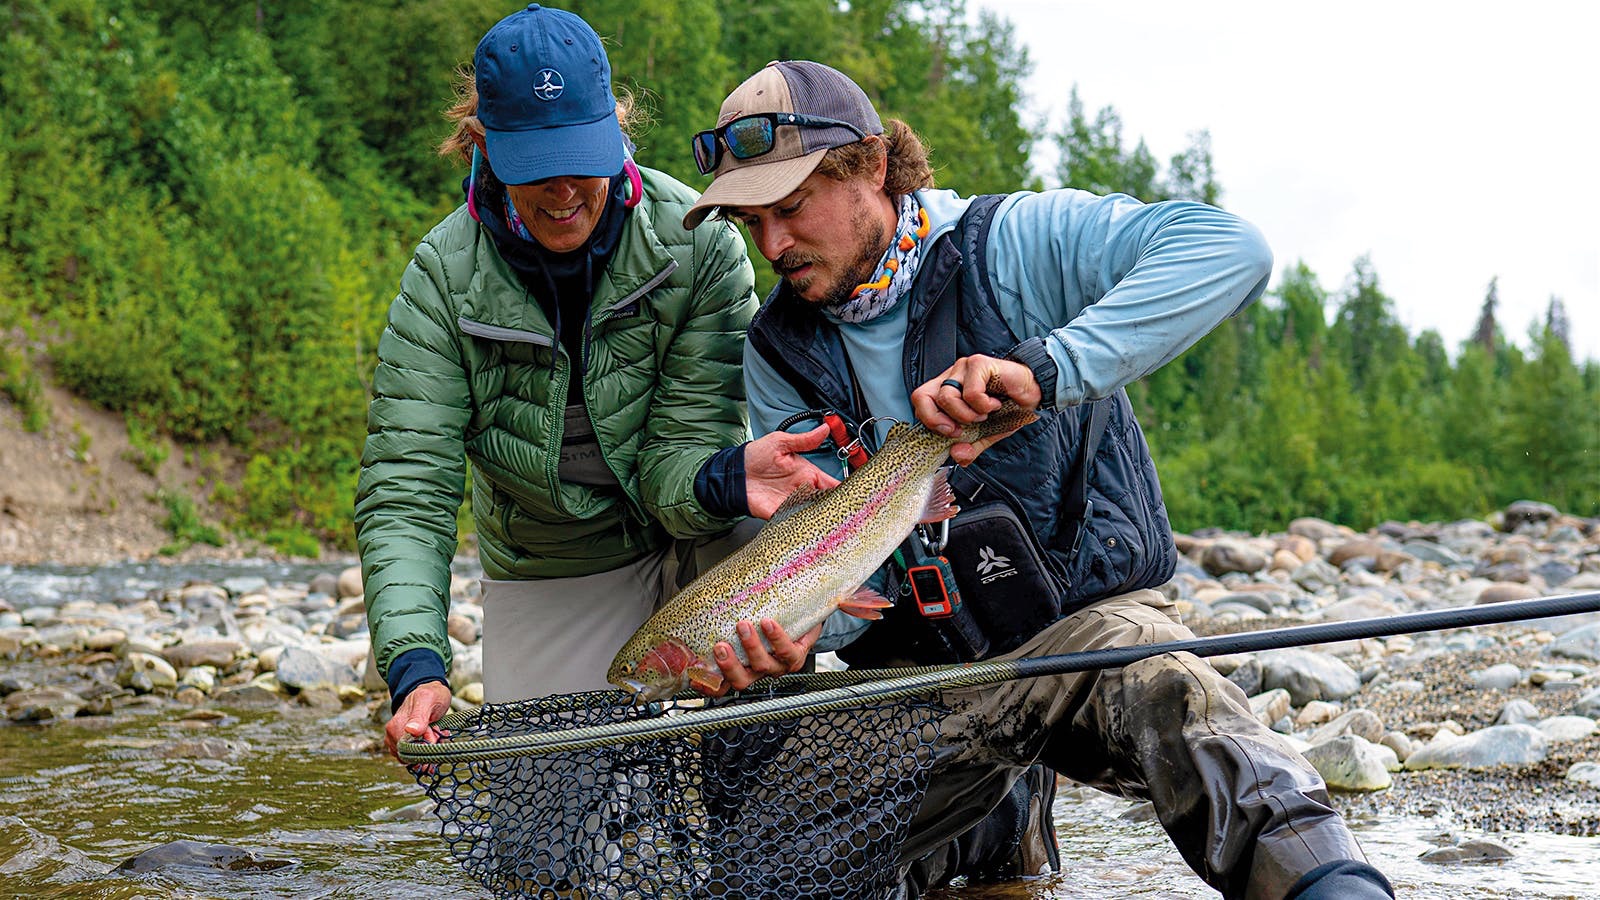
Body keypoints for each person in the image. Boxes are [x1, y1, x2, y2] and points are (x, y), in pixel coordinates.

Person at [682, 60, 1396, 899]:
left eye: (792, 208)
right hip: (923, 683)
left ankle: (1331, 887)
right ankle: (994, 834)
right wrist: (799, 635)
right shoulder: (778, 351)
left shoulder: (1012, 245)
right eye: (751, 221)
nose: (771, 246)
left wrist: (1052, 367)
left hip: (1086, 632)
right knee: (766, 849)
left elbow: (1231, 250)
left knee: (1161, 675)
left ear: (871, 166)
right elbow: (846, 586)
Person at [354, 6, 834, 764]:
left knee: (753, 534)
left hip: (695, 532)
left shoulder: (699, 242)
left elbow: (685, 451)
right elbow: (407, 488)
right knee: (547, 863)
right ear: (483, 146)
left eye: (580, 157)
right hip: (555, 562)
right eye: (533, 166)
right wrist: (416, 665)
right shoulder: (442, 279)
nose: (562, 191)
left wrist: (724, 478)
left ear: (615, 130)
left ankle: (755, 780)